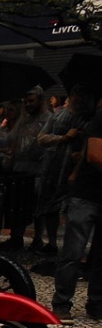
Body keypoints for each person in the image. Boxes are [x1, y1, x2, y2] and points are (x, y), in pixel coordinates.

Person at [51, 105, 102, 320]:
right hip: (87, 194)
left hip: (90, 195)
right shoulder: (100, 118)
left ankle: (97, 303)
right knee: (73, 251)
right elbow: (94, 155)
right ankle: (62, 302)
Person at [34, 85, 91, 254]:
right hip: (53, 168)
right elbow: (41, 138)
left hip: (76, 170)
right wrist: (63, 138)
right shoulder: (58, 116)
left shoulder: (88, 119)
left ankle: (72, 247)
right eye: (77, 94)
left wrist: (82, 152)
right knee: (50, 207)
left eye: (83, 95)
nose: (79, 99)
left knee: (74, 209)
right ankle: (52, 243)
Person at [0, 89, 50, 249]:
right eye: (26, 101)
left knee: (37, 206)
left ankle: (38, 238)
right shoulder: (23, 120)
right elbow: (9, 139)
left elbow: (41, 145)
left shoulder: (48, 119)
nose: (28, 104)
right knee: (19, 203)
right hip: (19, 168)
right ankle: (16, 236)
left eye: (32, 101)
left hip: (38, 170)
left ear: (40, 100)